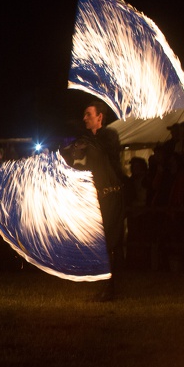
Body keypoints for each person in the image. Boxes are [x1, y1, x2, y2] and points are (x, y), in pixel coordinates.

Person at [65, 100, 126, 301]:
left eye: (88, 114)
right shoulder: (90, 142)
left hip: (113, 195)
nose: (85, 118)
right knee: (103, 241)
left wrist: (83, 142)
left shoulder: (108, 136)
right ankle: (108, 287)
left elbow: (104, 148)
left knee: (110, 240)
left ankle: (111, 288)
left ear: (100, 116)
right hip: (101, 196)